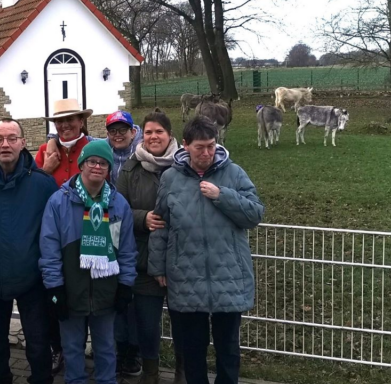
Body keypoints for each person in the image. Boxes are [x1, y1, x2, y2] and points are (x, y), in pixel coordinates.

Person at [149, 116, 264, 384]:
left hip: (229, 275)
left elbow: (255, 214)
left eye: (211, 146)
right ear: (186, 145)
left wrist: (222, 196)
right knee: (193, 351)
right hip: (186, 276)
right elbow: (161, 224)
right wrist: (157, 266)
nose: (207, 153)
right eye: (200, 147)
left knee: (228, 350)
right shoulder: (170, 178)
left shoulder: (234, 173)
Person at [0, 118, 59, 384]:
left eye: (11, 138)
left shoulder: (43, 185)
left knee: (38, 343)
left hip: (31, 280)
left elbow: (52, 231)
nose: (5, 144)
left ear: (22, 142)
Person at [40, 140, 137, 384]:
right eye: (92, 161)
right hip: (71, 290)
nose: (97, 166)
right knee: (72, 348)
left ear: (108, 169)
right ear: (81, 165)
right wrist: (55, 288)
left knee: (105, 347)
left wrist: (125, 284)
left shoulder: (118, 204)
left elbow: (126, 249)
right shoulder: (58, 202)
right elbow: (49, 249)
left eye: (103, 163)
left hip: (106, 290)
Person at [116, 110, 180, 384]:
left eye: (159, 132)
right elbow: (115, 213)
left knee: (183, 323)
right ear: (142, 134)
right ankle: (151, 374)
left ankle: (183, 371)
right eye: (149, 132)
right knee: (147, 324)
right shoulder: (130, 169)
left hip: (180, 260)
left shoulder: (183, 167)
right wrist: (142, 218)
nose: (154, 137)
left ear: (170, 136)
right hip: (143, 260)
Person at [36, 98, 93, 372]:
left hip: (89, 236)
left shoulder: (93, 149)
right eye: (59, 121)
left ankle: (86, 349)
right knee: (56, 297)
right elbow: (31, 191)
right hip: (53, 239)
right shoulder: (44, 153)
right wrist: (46, 169)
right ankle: (60, 348)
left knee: (88, 296)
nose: (64, 125)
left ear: (81, 121)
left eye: (70, 120)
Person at [104, 110, 142, 185]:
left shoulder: (143, 153)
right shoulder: (104, 150)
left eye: (123, 130)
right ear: (108, 135)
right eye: (113, 131)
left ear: (133, 133)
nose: (117, 134)